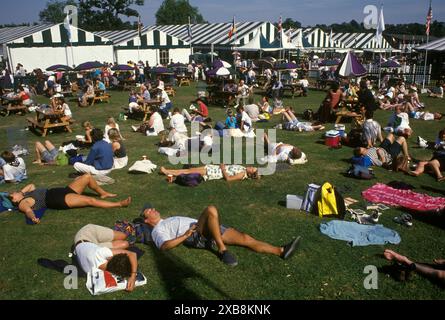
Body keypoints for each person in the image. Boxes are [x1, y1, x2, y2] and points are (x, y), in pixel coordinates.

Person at [140, 204, 301, 266]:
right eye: (150, 211)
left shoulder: (167, 220)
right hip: (195, 234)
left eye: (152, 208)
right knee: (211, 209)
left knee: (245, 238)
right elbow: (163, 246)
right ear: (147, 221)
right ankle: (222, 250)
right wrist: (185, 235)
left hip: (207, 226)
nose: (153, 210)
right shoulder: (157, 230)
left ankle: (281, 251)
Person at [8, 174, 131, 224]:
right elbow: (28, 211)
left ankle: (103, 193)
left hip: (63, 191)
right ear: (14, 200)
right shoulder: (23, 203)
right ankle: (119, 204)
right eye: (13, 194)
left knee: (87, 176)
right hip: (57, 199)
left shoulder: (26, 193)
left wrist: (21, 192)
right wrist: (33, 217)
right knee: (90, 200)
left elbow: (31, 185)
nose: (16, 192)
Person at [73, 224, 138, 291]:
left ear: (110, 257)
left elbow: (132, 254)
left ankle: (120, 232)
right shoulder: (96, 272)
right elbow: (132, 254)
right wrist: (133, 276)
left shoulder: (101, 253)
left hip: (84, 236)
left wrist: (133, 276)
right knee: (124, 241)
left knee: (124, 241)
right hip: (90, 238)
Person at [160, 164, 259, 182]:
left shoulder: (242, 174)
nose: (250, 167)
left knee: (188, 171)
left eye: (252, 169)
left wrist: (223, 168)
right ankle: (170, 172)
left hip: (213, 172)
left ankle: (167, 172)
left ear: (250, 174)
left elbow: (228, 179)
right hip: (214, 168)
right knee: (189, 170)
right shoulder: (243, 168)